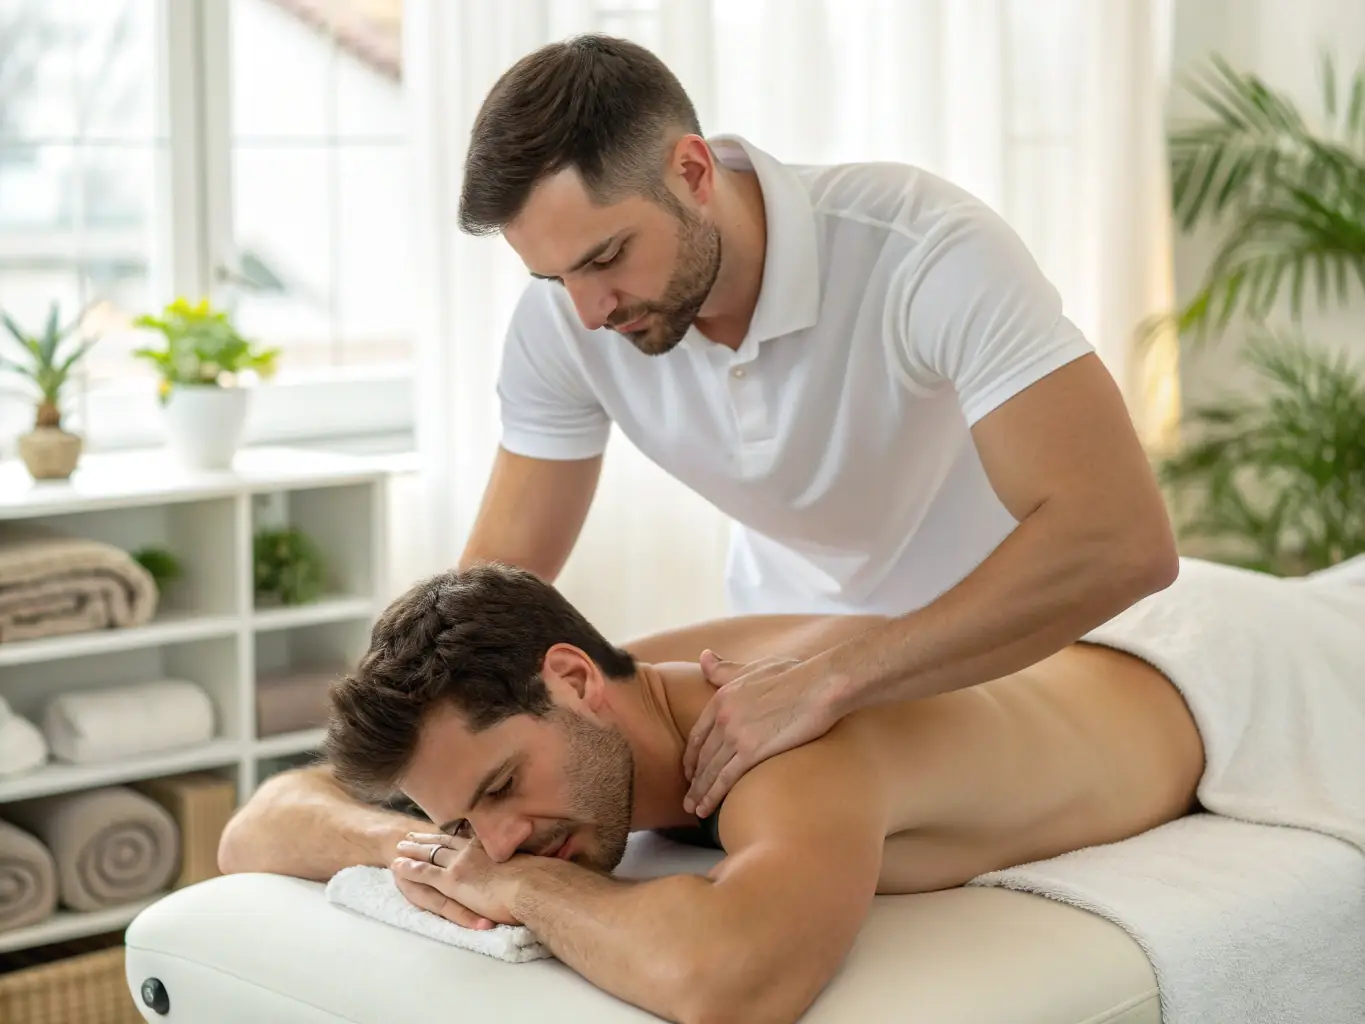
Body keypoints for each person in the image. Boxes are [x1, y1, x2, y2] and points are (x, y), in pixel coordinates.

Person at [450, 34, 1180, 817]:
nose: (590, 313)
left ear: (691, 173)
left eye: (606, 257)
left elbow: (1120, 541)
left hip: (1014, 651)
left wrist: (836, 676)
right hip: (775, 655)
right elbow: (492, 593)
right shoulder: (565, 322)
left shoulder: (925, 253)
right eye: (553, 277)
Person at [219, 561, 1215, 1024]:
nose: (504, 836)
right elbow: (257, 826)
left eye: (503, 787)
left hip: (1208, 665)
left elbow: (734, 979)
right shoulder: (604, 691)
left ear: (572, 680)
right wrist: (430, 852)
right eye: (466, 818)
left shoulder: (781, 738)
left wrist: (519, 891)